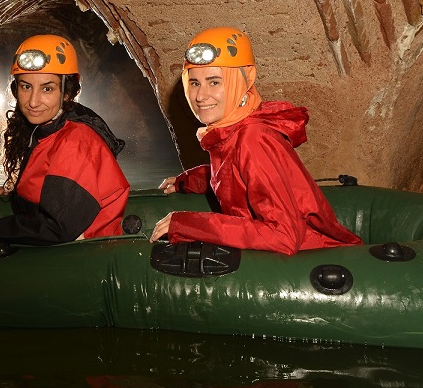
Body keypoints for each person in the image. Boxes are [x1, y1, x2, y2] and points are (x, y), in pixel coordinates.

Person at [151, 26, 361, 255]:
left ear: (245, 80)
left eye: (214, 82)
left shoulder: (253, 139)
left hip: (313, 259)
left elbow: (284, 237)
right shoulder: (234, 129)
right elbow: (234, 175)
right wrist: (190, 181)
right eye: (194, 83)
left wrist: (188, 224)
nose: (200, 96)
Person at [0, 34, 130, 256]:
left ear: (67, 92)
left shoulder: (76, 140)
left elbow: (57, 228)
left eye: (47, 89)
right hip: (70, 238)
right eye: (26, 86)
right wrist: (17, 191)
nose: (33, 101)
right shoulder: (48, 129)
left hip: (87, 251)